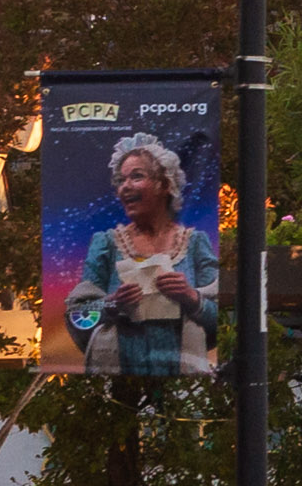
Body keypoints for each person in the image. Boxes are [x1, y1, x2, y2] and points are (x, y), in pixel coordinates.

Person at [66, 134, 214, 378]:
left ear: (164, 184)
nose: (125, 186)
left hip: (183, 383)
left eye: (136, 176)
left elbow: (221, 320)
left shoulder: (196, 244)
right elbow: (77, 317)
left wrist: (190, 297)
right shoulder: (106, 244)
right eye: (121, 180)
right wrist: (113, 304)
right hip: (117, 379)